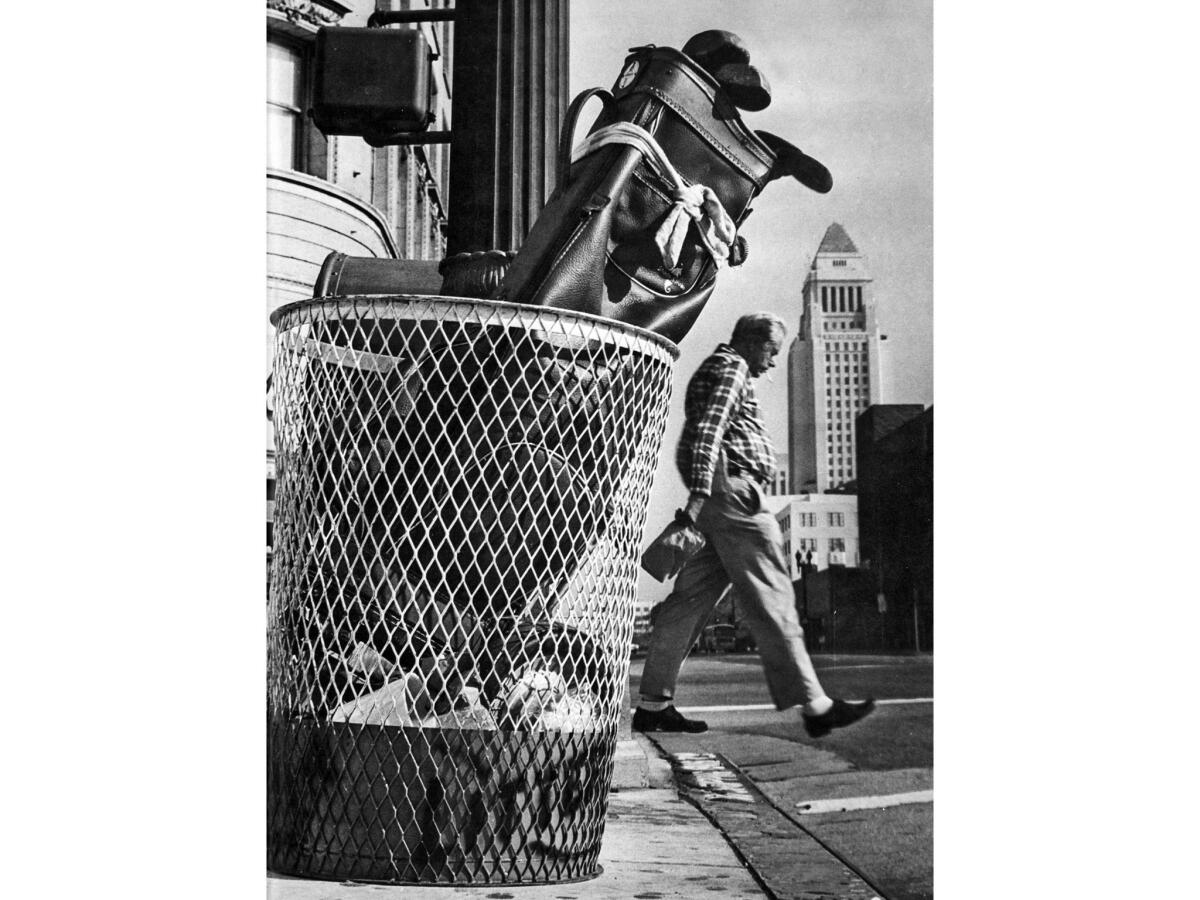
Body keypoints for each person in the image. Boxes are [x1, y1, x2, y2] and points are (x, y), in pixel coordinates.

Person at [633, 312, 875, 738]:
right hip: (736, 494)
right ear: (750, 341)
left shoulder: (720, 366)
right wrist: (701, 496)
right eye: (771, 351)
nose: (773, 362)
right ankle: (817, 706)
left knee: (688, 602)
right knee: (774, 595)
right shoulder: (732, 368)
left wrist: (702, 501)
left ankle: (654, 704)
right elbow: (707, 432)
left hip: (720, 499)